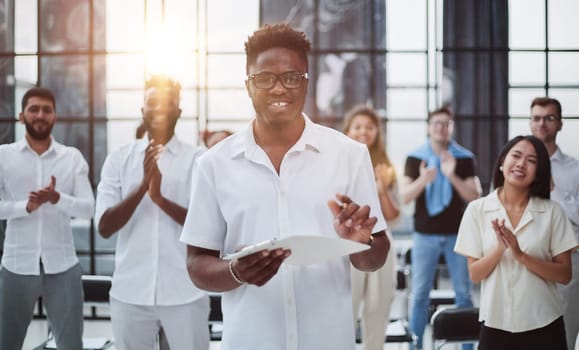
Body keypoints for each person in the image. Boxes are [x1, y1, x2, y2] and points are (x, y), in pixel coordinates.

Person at [180, 23, 390, 350]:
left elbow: (374, 258)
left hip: (328, 341)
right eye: (264, 79)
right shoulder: (213, 164)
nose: (279, 89)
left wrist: (361, 244)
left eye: (292, 77)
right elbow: (196, 264)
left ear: (307, 82)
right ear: (248, 85)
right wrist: (235, 271)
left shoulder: (349, 154)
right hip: (250, 340)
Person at [95, 75, 209, 350]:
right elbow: (105, 227)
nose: (159, 109)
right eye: (152, 103)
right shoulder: (118, 159)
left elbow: (207, 226)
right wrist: (141, 188)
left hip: (186, 291)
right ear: (142, 110)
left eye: (168, 103)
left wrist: (159, 199)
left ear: (178, 112)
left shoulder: (199, 160)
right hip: (130, 291)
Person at [455, 135, 577, 350]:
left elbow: (565, 274)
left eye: (531, 160)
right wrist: (500, 248)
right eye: (516, 156)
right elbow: (475, 274)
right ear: (502, 162)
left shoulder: (552, 212)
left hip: (545, 324)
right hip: (496, 324)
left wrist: (521, 256)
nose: (521, 164)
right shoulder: (477, 210)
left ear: (539, 172)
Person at [0, 87, 95, 350]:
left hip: (63, 267)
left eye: (46, 110)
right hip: (17, 266)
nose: (40, 115)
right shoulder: (3, 156)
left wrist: (57, 199)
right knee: (7, 344)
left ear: (54, 117)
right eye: (34, 109)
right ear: (21, 116)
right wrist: (25, 207)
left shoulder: (71, 157)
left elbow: (89, 209)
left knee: (72, 346)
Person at [400, 106, 481, 350]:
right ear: (429, 127)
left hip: (458, 235)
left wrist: (452, 175)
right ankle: (416, 346)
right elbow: (404, 197)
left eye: (446, 124)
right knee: (420, 295)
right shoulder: (415, 158)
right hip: (425, 235)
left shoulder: (464, 158)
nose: (441, 128)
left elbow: (475, 197)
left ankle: (467, 346)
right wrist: (425, 179)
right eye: (437, 123)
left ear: (452, 128)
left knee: (464, 294)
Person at [342, 105, 399, 350]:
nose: (363, 132)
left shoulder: (386, 168)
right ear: (347, 131)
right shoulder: (336, 163)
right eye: (358, 127)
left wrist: (382, 189)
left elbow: (394, 219)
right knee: (345, 311)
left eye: (369, 127)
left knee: (377, 311)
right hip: (345, 246)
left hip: (381, 246)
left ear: (377, 132)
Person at [528, 97, 579, 350]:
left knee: (564, 336)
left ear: (560, 124)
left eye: (549, 118)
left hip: (566, 260)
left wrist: (554, 193)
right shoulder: (518, 167)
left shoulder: (575, 170)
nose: (542, 124)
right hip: (525, 260)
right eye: (537, 118)